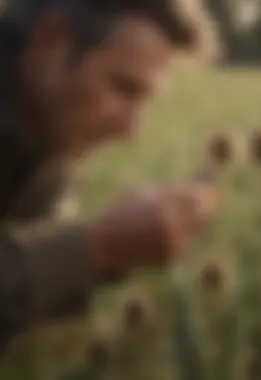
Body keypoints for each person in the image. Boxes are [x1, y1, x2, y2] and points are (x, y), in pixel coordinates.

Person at [0, 0, 219, 355]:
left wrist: (112, 251)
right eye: (123, 88)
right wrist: (99, 246)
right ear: (51, 40)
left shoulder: (46, 133)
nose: (130, 129)